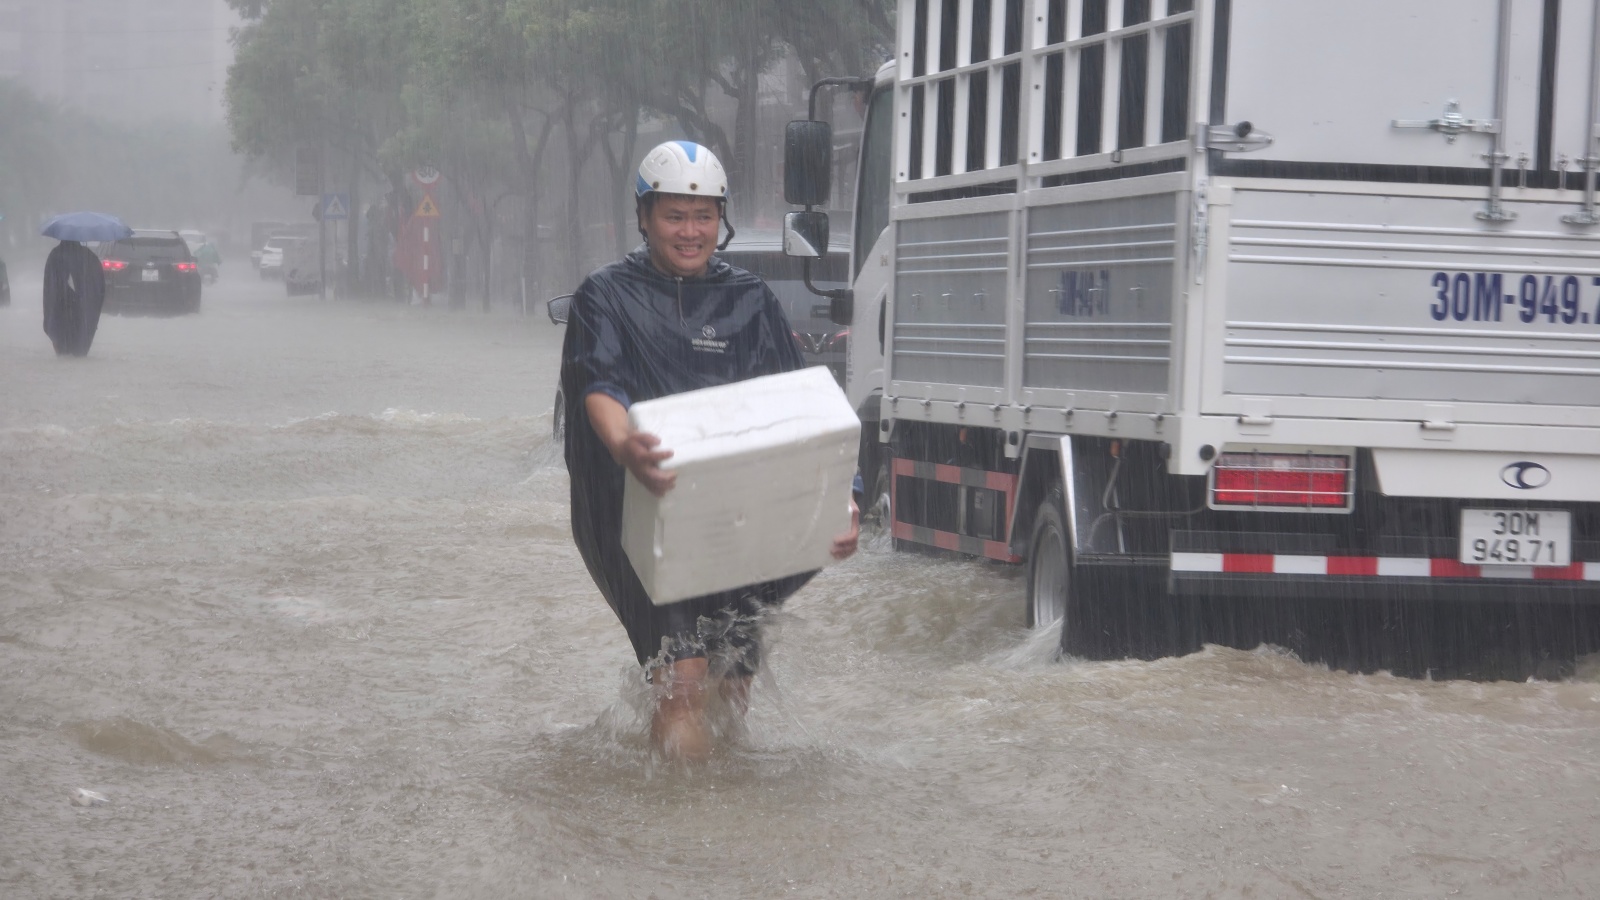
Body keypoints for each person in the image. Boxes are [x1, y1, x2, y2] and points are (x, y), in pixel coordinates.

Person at [560, 140, 861, 762]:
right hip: (640, 512)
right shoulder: (605, 296)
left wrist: (844, 500)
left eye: (703, 217)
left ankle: (726, 823)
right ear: (643, 217)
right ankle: (677, 840)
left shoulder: (750, 301)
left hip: (738, 519)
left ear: (720, 220)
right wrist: (625, 445)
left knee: (733, 688)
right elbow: (599, 386)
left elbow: (802, 410)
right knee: (684, 681)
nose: (690, 232)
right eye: (674, 216)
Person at [42, 239, 106, 357]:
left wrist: (49, 321)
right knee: (79, 355)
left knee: (63, 356)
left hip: (59, 314)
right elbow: (99, 289)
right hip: (84, 316)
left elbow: (48, 289)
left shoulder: (55, 256)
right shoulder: (90, 257)